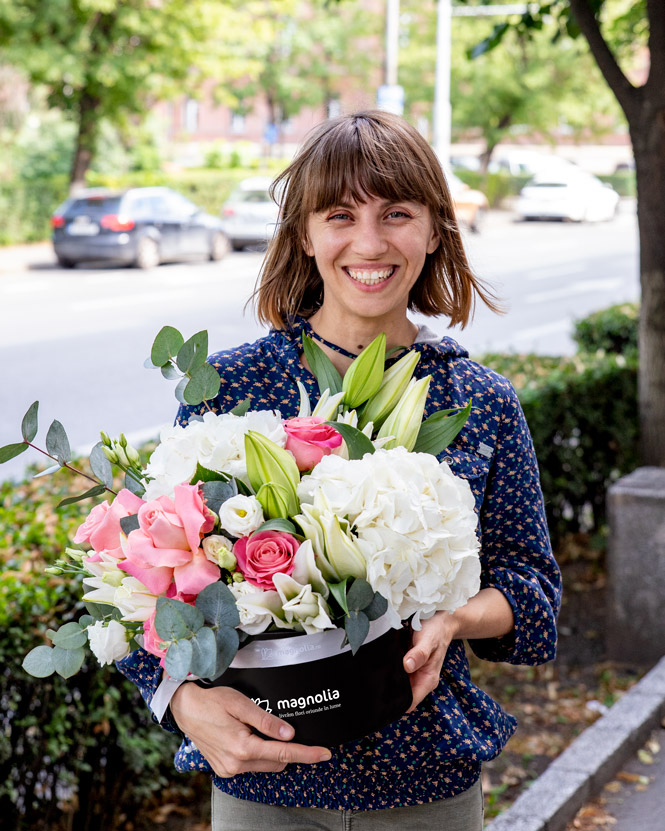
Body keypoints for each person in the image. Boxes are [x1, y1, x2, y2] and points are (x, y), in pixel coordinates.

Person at [118, 110, 561, 830]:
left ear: (434, 229)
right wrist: (181, 701)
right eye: (339, 214)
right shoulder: (229, 391)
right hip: (263, 785)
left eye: (396, 213)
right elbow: (146, 580)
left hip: (425, 786)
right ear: (304, 233)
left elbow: (532, 598)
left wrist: (454, 615)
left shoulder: (477, 401)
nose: (369, 241)